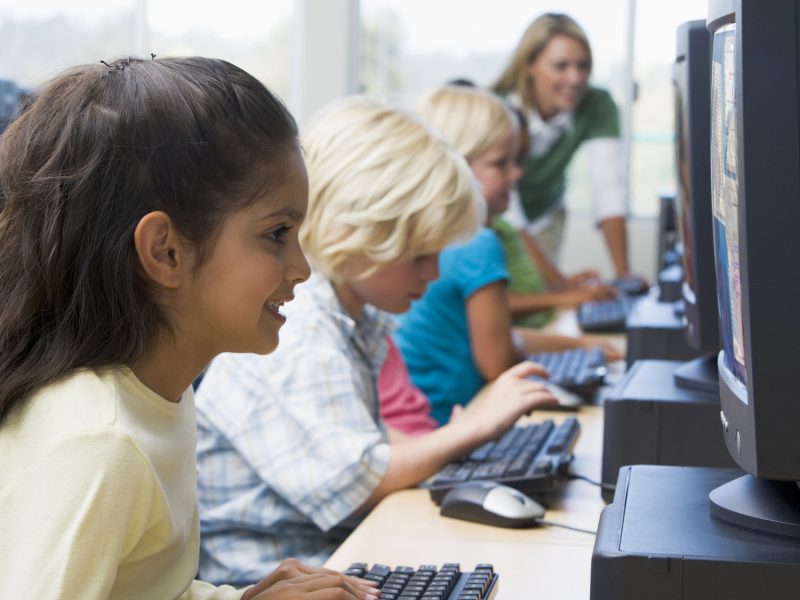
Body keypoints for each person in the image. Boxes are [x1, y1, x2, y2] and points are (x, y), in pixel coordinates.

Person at [0, 56, 378, 600]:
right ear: (166, 251)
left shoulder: (155, 398)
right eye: (277, 233)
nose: (302, 268)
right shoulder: (100, 440)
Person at [194, 96, 558, 586]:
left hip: (330, 558)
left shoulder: (350, 317)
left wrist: (444, 447)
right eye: (420, 255)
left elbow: (365, 443)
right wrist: (471, 429)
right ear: (362, 232)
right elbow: (356, 482)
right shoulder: (300, 329)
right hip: (268, 581)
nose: (433, 274)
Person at [395, 84, 620, 426]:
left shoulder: (434, 238)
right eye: (502, 163)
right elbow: (497, 360)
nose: (517, 173)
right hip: (447, 422)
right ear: (455, 167)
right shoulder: (477, 243)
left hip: (425, 422)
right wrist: (576, 348)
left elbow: (498, 335)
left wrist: (577, 344)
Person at [493, 12, 637, 281]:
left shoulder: (597, 105)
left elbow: (609, 191)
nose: (575, 78)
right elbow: (509, 211)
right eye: (561, 66)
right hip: (498, 216)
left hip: (547, 214)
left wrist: (623, 275)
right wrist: (560, 285)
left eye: (583, 66)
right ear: (530, 65)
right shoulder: (498, 109)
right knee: (519, 292)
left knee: (543, 303)